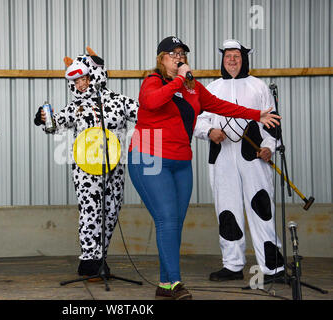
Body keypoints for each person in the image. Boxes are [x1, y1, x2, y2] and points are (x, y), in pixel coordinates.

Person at [127, 36, 281, 300]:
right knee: (166, 219)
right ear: (161, 58)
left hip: (180, 158)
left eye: (182, 53)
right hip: (149, 153)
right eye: (173, 53)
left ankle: (165, 285)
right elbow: (152, 102)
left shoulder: (194, 88)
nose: (179, 57)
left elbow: (222, 106)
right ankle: (174, 283)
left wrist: (257, 115)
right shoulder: (154, 81)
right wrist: (178, 79)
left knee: (174, 222)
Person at [34, 47, 138, 277]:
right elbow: (55, 123)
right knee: (90, 211)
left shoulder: (119, 101)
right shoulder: (76, 106)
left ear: (95, 76)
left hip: (115, 168)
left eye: (84, 78)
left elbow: (143, 115)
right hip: (85, 168)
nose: (80, 84)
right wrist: (43, 117)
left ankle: (100, 256)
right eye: (76, 81)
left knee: (111, 210)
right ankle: (88, 259)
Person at [193, 39, 285, 282]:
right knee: (227, 210)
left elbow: (272, 122)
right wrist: (209, 132)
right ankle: (233, 265)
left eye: (236, 56)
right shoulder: (212, 88)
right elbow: (199, 120)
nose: (232, 60)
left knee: (261, 208)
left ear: (244, 59)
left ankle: (273, 267)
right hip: (222, 158)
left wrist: (268, 147)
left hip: (253, 158)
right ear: (222, 60)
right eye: (228, 56)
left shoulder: (259, 87)